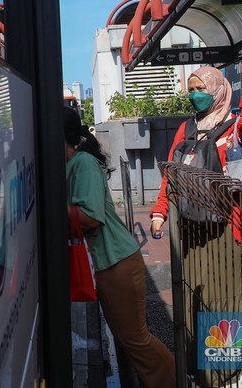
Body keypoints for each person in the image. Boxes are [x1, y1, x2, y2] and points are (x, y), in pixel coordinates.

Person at [150, 66, 242, 388]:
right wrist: (159, 212)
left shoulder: (237, 127)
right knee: (196, 300)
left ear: (217, 89)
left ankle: (229, 377)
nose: (194, 94)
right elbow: (170, 173)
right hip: (193, 231)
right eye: (190, 89)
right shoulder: (187, 127)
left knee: (229, 301)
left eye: (200, 87)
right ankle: (199, 371)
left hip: (232, 231)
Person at [64, 107, 175, 387]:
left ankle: (172, 381)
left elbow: (90, 216)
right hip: (108, 263)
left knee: (136, 340)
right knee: (130, 339)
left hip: (117, 262)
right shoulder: (72, 163)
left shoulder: (82, 163)